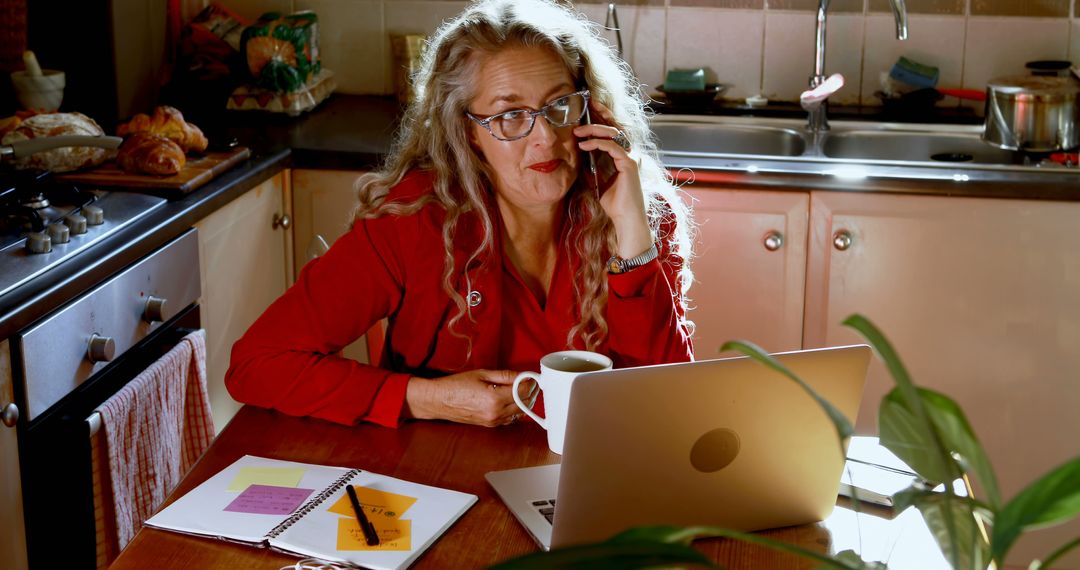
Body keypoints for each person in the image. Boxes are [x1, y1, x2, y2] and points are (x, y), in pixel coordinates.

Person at [225, 0, 695, 429]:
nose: (546, 139)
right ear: (468, 131)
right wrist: (425, 398)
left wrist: (634, 237)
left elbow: (670, 402)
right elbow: (257, 364)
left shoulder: (635, 211)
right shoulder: (412, 220)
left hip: (595, 475)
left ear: (588, 109)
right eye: (510, 115)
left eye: (559, 106)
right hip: (436, 482)